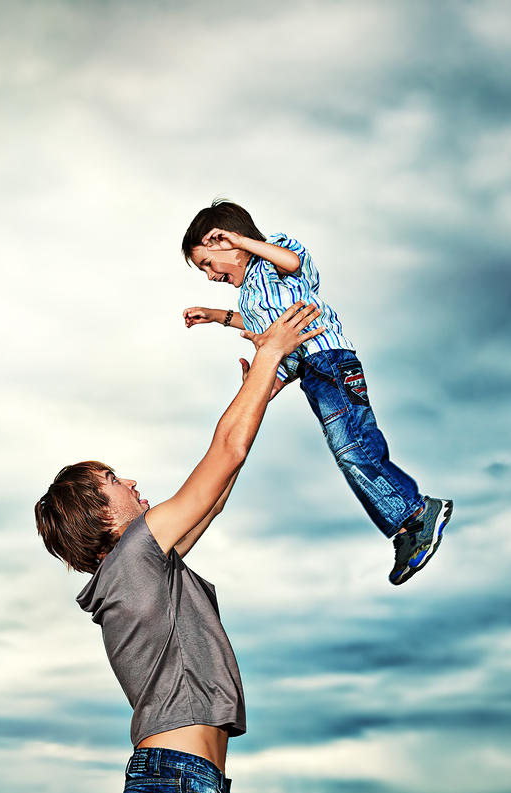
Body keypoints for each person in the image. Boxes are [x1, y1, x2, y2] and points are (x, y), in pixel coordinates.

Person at [34, 302, 325, 793]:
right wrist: (270, 355)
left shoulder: (142, 568)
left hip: (190, 789)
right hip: (177, 786)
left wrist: (266, 385)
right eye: (115, 479)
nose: (133, 480)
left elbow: (221, 483)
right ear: (101, 516)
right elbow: (220, 458)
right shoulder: (130, 561)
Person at [181, 199, 453, 585]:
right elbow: (272, 332)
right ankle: (407, 527)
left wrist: (243, 240)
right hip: (312, 371)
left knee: (353, 446)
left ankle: (416, 513)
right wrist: (218, 320)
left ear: (224, 241)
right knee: (348, 453)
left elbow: (294, 262)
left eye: (208, 263)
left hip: (331, 360)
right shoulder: (248, 297)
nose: (210, 276)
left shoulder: (272, 255)